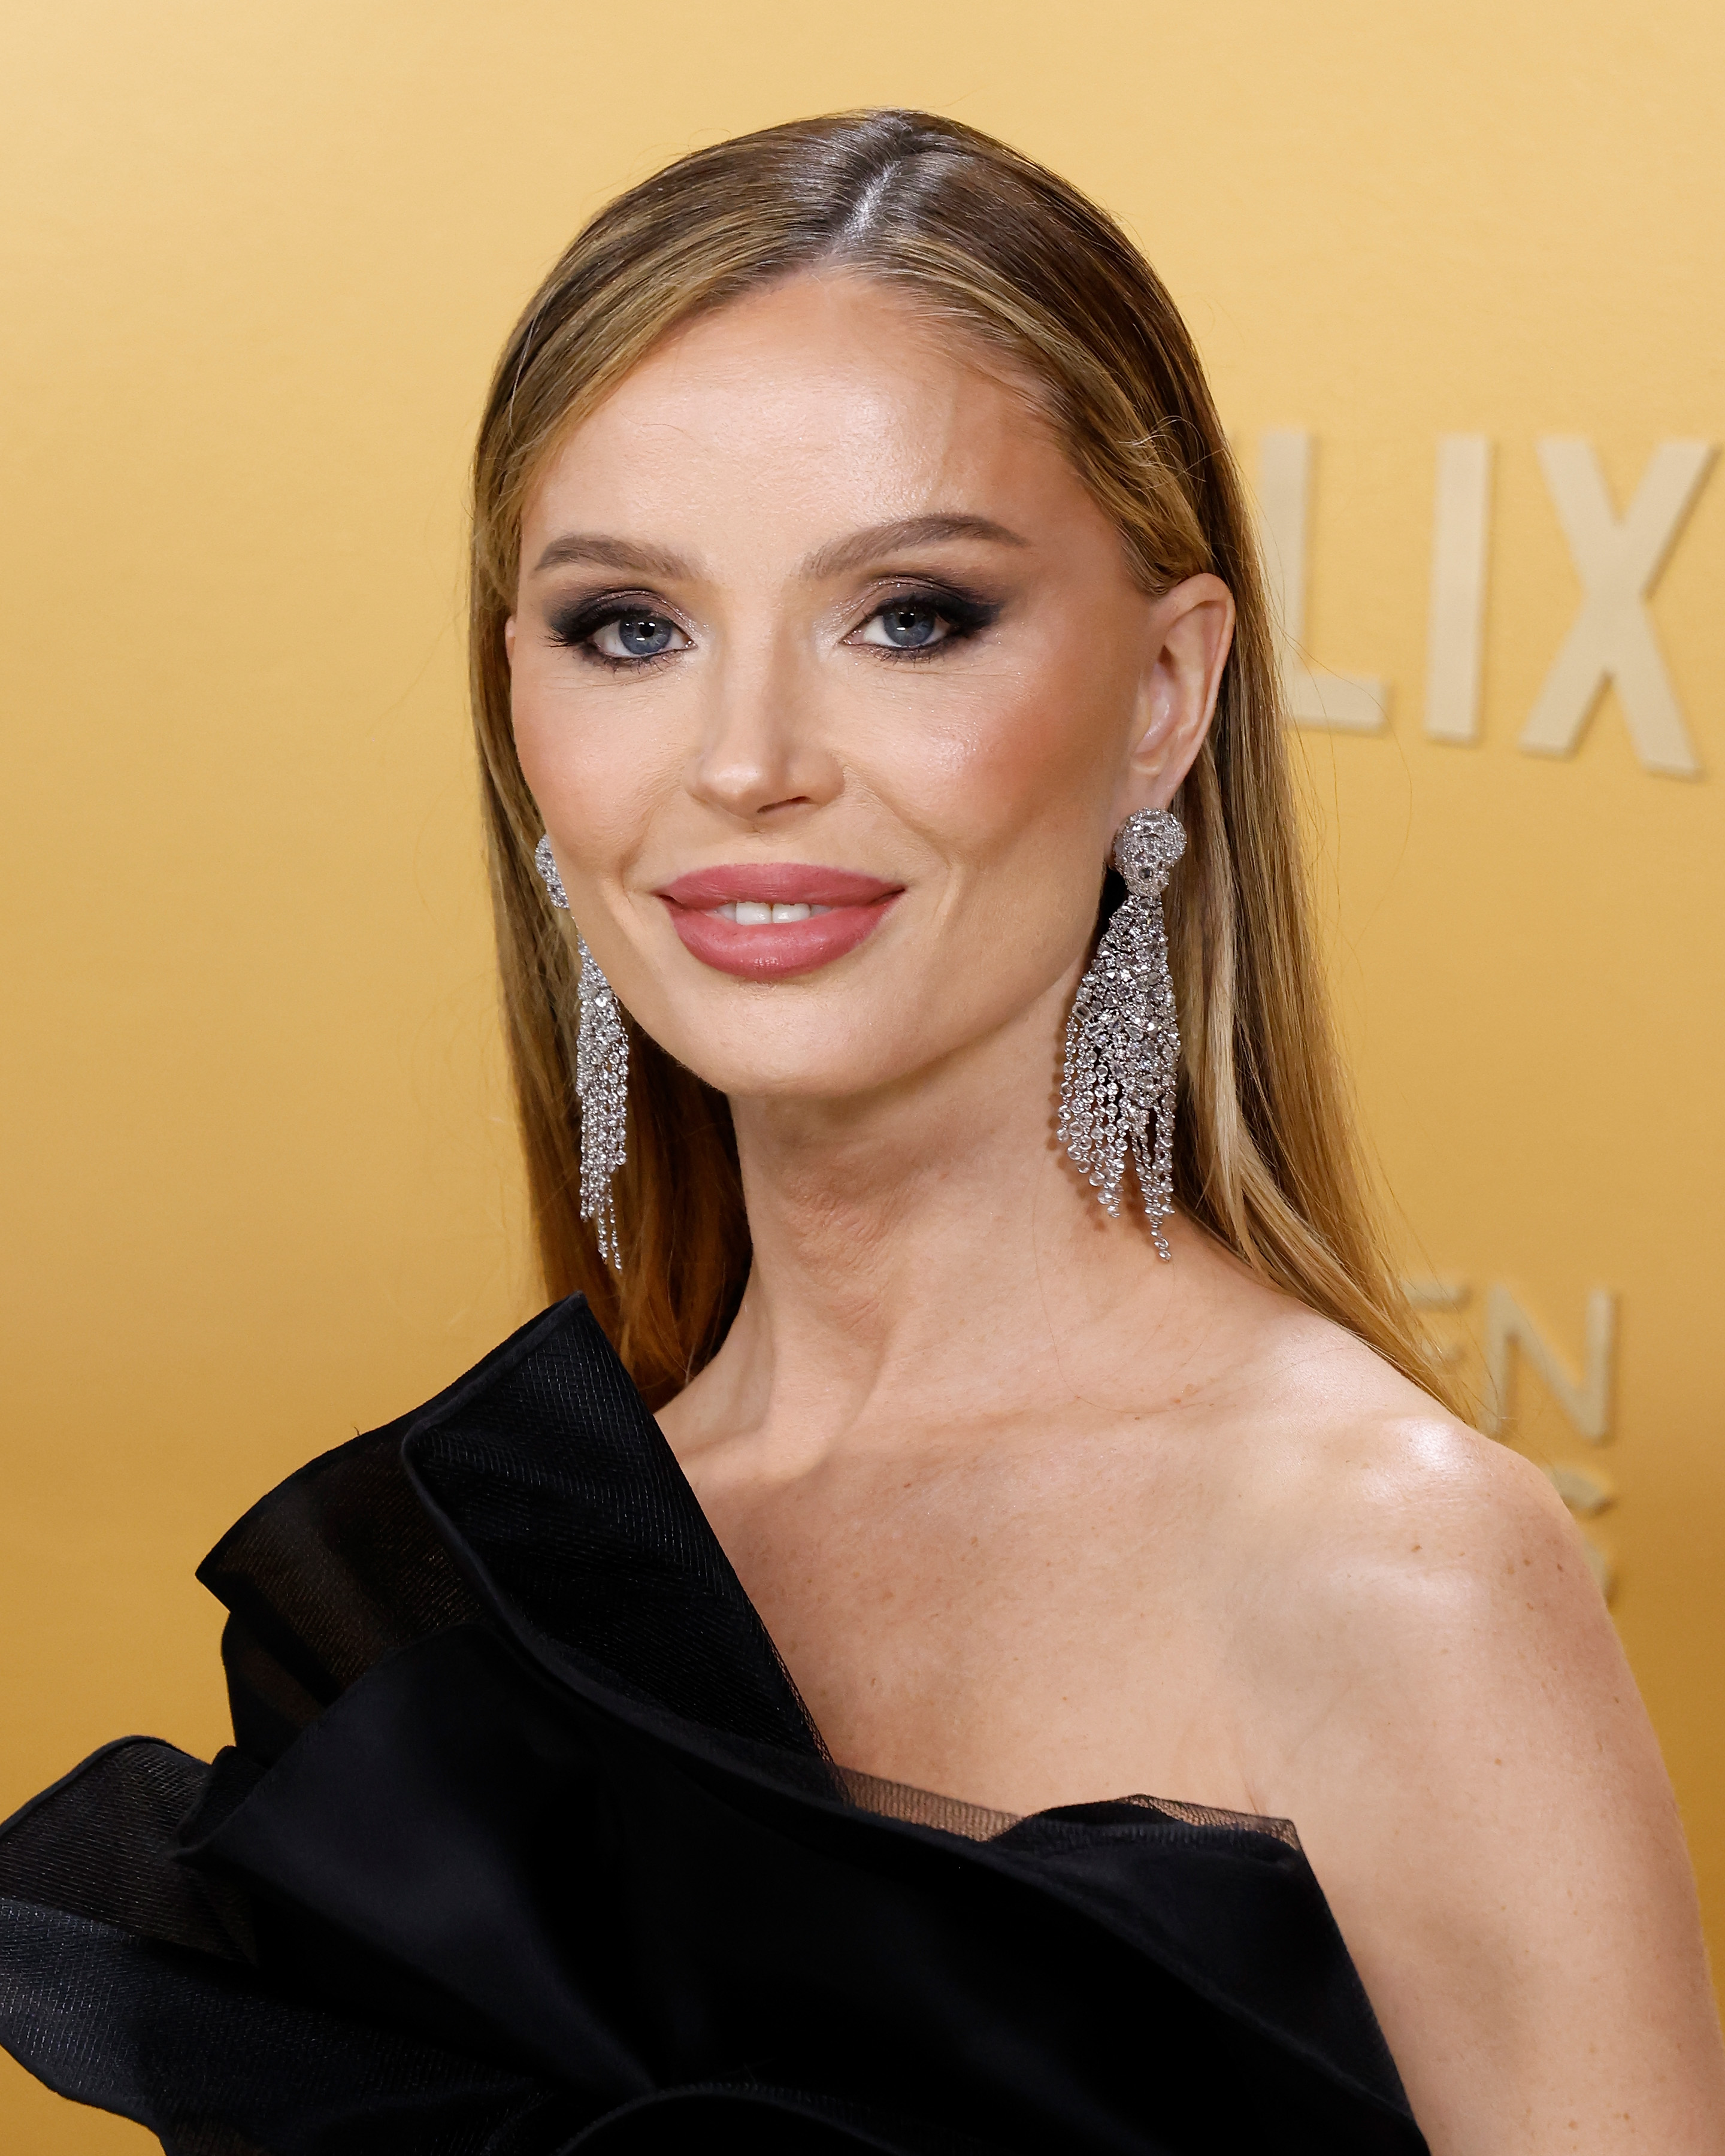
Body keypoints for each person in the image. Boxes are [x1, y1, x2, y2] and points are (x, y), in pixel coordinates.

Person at [1, 109, 1719, 2156]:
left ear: (1165, 692)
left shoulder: (1387, 1561)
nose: (743, 764)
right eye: (628, 627)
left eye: (910, 614)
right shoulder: (488, 1583)